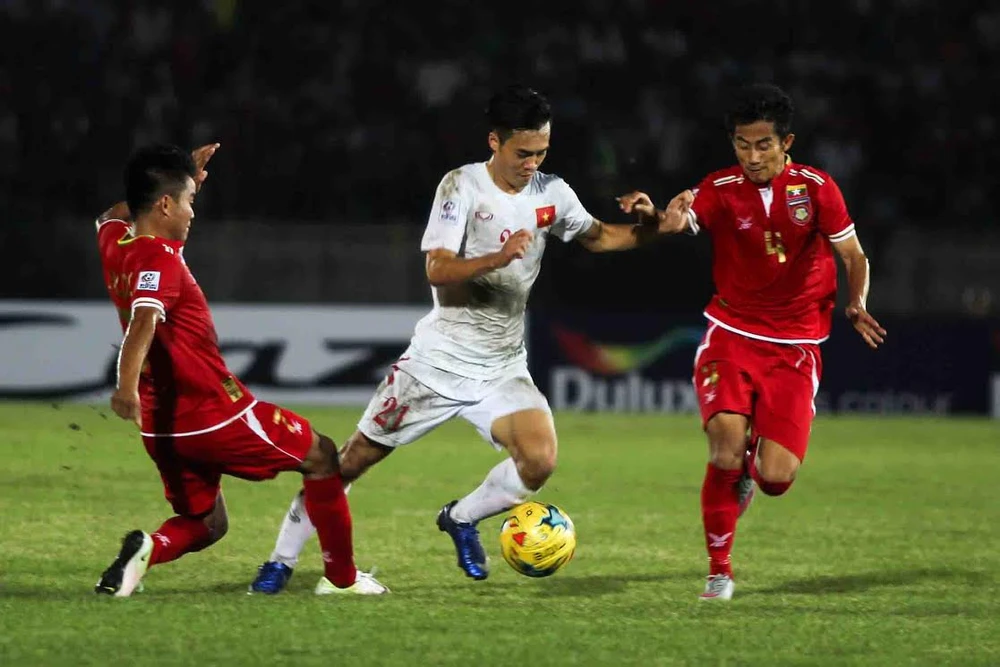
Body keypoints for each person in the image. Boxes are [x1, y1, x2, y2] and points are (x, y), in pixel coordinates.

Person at [249, 84, 691, 593]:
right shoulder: (461, 186)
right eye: (523, 153)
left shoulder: (551, 192)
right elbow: (437, 269)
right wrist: (496, 259)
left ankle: (459, 517)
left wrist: (658, 228)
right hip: (437, 362)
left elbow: (598, 237)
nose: (532, 163)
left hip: (502, 364)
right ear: (494, 142)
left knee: (539, 460)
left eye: (542, 152)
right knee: (349, 462)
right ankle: (280, 562)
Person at [618, 83, 887, 601]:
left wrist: (856, 302)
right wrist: (653, 214)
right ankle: (719, 571)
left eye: (764, 145)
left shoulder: (817, 188)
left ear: (787, 143)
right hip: (731, 334)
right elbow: (678, 221)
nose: (753, 156)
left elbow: (854, 255)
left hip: (796, 346)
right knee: (724, 446)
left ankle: (749, 471)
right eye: (743, 145)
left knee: (776, 478)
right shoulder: (719, 187)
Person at [93, 143, 388, 597]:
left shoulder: (115, 240)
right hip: (212, 411)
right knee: (322, 455)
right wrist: (124, 386)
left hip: (161, 425)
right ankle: (342, 580)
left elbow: (110, 215)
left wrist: (181, 175)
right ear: (165, 205)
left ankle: (147, 551)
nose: (193, 213)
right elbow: (144, 319)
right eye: (188, 200)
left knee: (206, 522)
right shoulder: (158, 258)